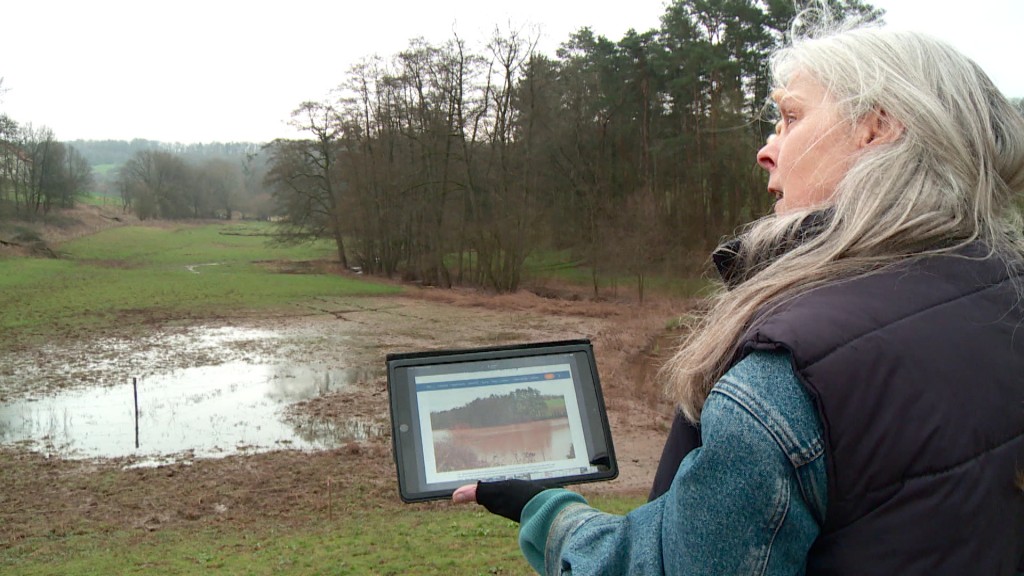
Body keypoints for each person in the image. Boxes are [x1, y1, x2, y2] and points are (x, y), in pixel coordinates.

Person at [452, 16, 1024, 576]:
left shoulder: (787, 376)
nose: (765, 150)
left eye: (789, 116)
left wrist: (549, 512)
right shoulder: (1005, 293)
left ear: (875, 127)